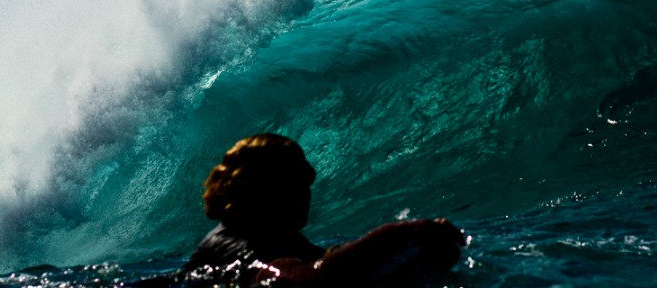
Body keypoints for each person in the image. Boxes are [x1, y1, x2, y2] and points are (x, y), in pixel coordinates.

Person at [184, 133, 465, 287]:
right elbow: (309, 278)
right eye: (293, 183)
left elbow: (324, 261)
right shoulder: (237, 244)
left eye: (305, 183)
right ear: (260, 189)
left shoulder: (275, 237)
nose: (304, 193)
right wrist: (404, 233)